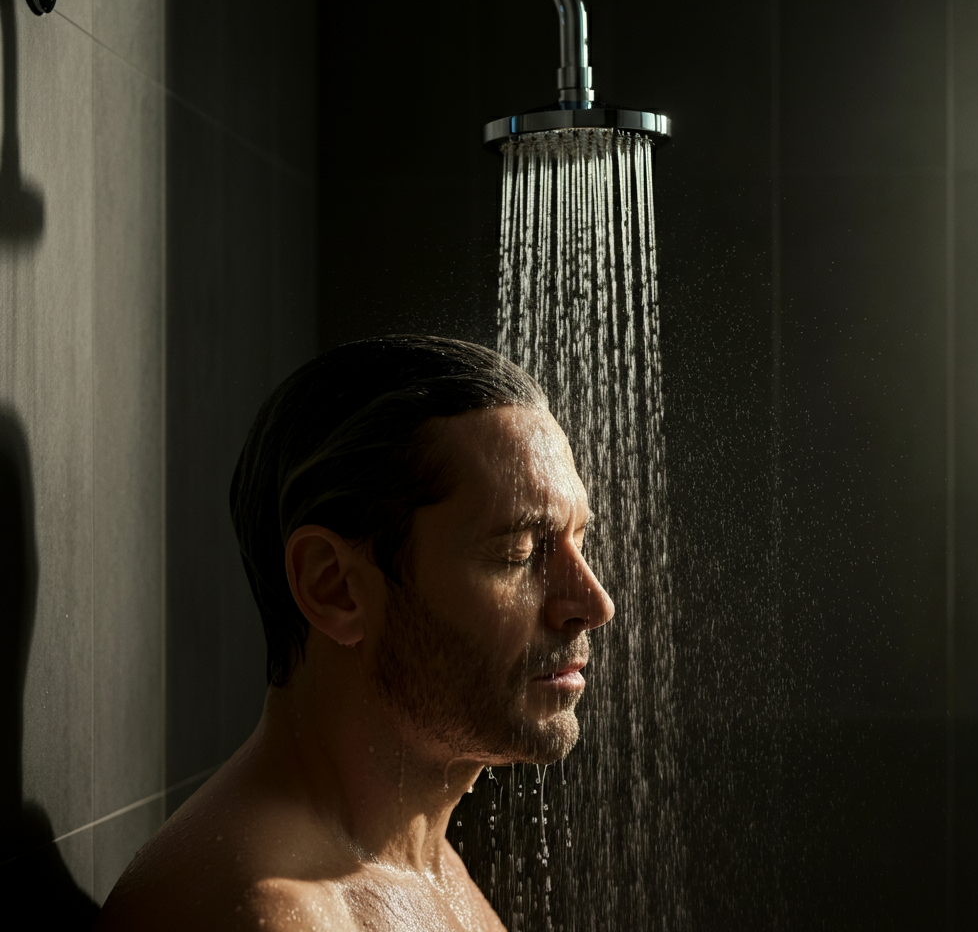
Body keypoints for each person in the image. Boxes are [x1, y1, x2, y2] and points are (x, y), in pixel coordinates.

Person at [95, 335, 614, 932]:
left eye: (580, 540)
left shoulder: (414, 863)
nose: (594, 603)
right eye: (520, 553)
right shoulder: (271, 915)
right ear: (334, 588)